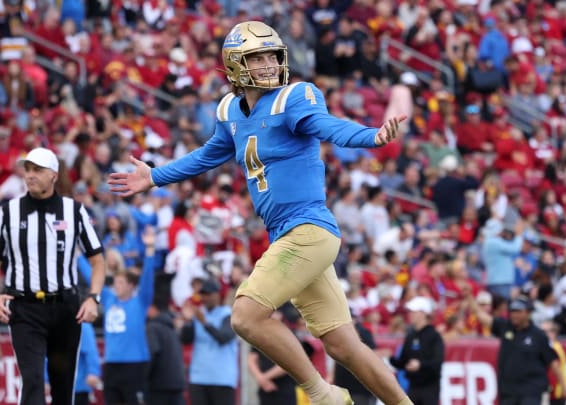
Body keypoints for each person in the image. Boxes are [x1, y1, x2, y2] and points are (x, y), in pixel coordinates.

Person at [109, 20, 411, 405]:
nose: (268, 64)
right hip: (289, 236)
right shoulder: (229, 111)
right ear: (236, 64)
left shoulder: (294, 97)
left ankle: (323, 395)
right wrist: (155, 177)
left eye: (272, 55)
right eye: (257, 57)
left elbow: (328, 127)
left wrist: (371, 135)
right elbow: (206, 156)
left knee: (245, 317)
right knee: (342, 344)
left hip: (308, 230)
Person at [0, 147, 105, 405]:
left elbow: (98, 261)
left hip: (65, 310)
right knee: (33, 381)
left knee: (62, 387)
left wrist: (93, 297)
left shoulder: (74, 212)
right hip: (25, 309)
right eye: (27, 169)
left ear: (53, 175)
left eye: (37, 170)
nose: (29, 175)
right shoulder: (9, 212)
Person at [471, 296, 566, 405]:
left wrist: (563, 386)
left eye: (518, 312)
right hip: (508, 392)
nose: (514, 315)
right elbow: (483, 318)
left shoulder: (538, 335)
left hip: (531, 391)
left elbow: (552, 362)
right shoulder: (505, 327)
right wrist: (469, 298)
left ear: (528, 313)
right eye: (512, 311)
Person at [100, 227, 156, 405]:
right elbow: (92, 276)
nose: (116, 286)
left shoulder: (140, 301)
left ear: (131, 285)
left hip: (134, 364)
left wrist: (149, 250)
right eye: (115, 282)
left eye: (121, 282)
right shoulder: (109, 299)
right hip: (111, 364)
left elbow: (147, 279)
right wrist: (77, 256)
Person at [180, 278, 238, 405]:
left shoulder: (228, 314)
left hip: (222, 378)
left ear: (217, 294)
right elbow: (185, 340)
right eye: (203, 294)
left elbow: (223, 338)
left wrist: (205, 323)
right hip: (199, 377)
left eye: (208, 294)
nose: (205, 297)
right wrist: (188, 322)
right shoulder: (199, 314)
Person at [389, 296, 444, 405]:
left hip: (429, 388)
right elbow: (403, 362)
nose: (410, 314)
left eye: (414, 312)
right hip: (413, 387)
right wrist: (391, 359)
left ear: (423, 313)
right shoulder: (410, 336)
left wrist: (420, 365)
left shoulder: (434, 336)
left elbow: (437, 363)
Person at [146, 298, 187, 405]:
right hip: (177, 384)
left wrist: (142, 379)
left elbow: (151, 354)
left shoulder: (152, 327)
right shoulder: (172, 327)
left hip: (158, 386)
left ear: (153, 308)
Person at [541, 321, 566, 405]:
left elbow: (554, 369)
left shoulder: (553, 348)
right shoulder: (557, 346)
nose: (544, 334)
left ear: (554, 332)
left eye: (547, 331)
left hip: (554, 391)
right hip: (556, 390)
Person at [74, 323, 102, 405]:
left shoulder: (83, 325)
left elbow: (91, 351)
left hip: (78, 386)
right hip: (59, 385)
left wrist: (94, 372)